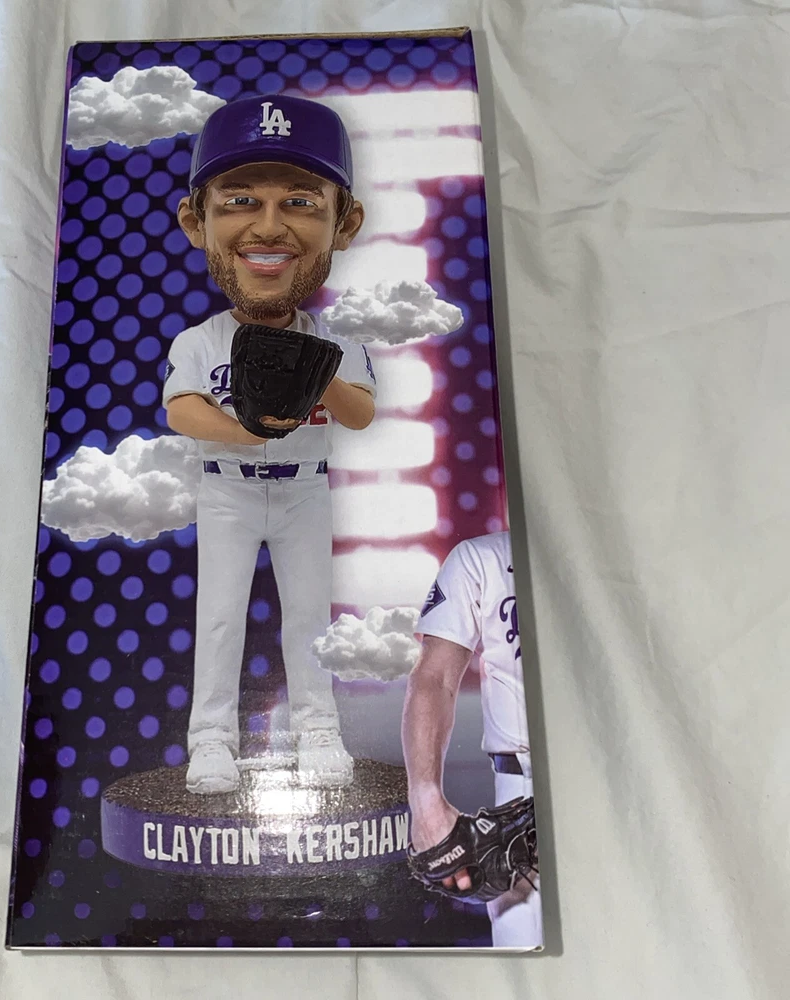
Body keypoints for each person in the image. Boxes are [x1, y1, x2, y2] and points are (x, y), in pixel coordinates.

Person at [162, 95, 377, 795]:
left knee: (308, 619)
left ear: (345, 223)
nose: (268, 225)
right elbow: (182, 411)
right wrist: (247, 430)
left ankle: (319, 732)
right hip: (225, 488)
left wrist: (318, 372)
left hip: (304, 489)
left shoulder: (337, 341)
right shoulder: (202, 340)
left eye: (301, 202)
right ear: (196, 220)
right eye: (241, 200)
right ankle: (210, 741)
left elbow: (360, 415)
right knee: (221, 619)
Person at [401, 530, 542, 948]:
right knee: (526, 962)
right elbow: (435, 678)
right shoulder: (483, 557)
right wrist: (424, 797)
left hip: (622, 770)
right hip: (523, 790)